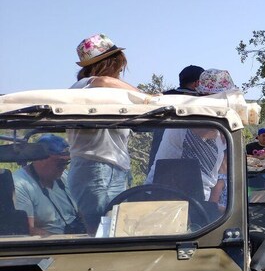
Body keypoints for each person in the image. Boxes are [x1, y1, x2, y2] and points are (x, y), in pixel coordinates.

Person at [67, 34, 138, 233]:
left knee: (114, 228)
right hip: (95, 166)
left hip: (113, 166)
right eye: (118, 64)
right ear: (109, 63)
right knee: (100, 229)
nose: (120, 70)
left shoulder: (103, 91)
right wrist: (145, 97)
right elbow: (104, 81)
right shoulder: (86, 85)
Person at [146, 69, 235, 202]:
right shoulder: (186, 121)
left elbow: (214, 177)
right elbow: (202, 132)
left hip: (198, 200)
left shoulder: (221, 129)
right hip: (164, 197)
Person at [13, 134, 85, 236]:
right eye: (60, 162)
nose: (64, 167)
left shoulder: (64, 176)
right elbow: (28, 229)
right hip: (51, 244)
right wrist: (62, 240)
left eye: (67, 162)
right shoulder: (20, 184)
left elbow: (82, 212)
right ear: (40, 159)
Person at [148, 65, 206, 168]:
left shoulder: (163, 98)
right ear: (197, 83)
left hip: (158, 164)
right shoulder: (201, 102)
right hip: (184, 166)